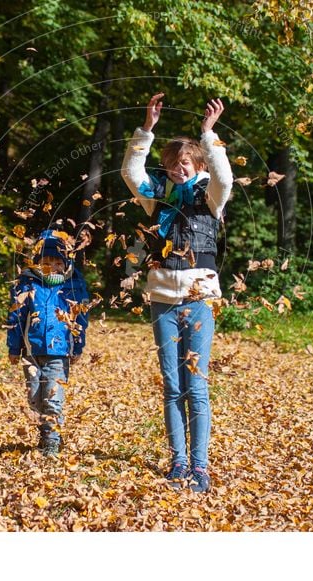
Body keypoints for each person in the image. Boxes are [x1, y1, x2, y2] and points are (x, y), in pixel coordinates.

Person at [121, 93, 233, 492]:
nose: (178, 169)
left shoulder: (210, 198)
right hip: (164, 298)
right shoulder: (160, 201)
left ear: (198, 164)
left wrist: (209, 135)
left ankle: (200, 466)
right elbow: (132, 173)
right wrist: (146, 130)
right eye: (171, 165)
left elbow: (224, 178)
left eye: (185, 163)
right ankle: (178, 461)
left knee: (195, 384)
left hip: (199, 296)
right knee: (172, 384)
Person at [6, 229, 90, 457]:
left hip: (59, 352)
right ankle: (44, 433)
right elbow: (16, 317)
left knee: (53, 397)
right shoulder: (28, 284)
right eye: (46, 261)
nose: (51, 266)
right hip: (31, 351)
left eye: (56, 262)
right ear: (37, 262)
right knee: (35, 397)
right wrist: (14, 347)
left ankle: (52, 439)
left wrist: (78, 345)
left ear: (65, 263)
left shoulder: (72, 286)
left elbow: (80, 318)